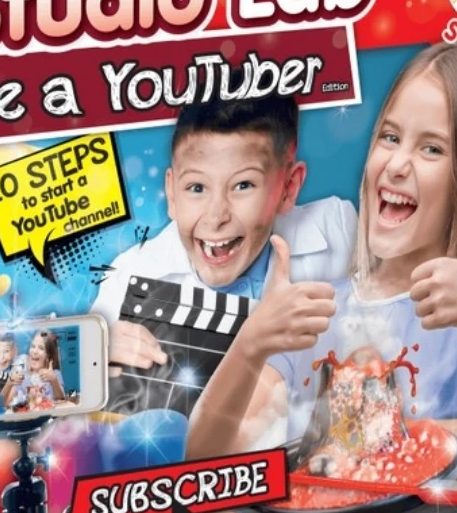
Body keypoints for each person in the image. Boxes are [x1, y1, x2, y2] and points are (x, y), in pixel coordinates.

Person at [186, 43, 457, 460]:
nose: (397, 164)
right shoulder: (316, 309)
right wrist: (250, 343)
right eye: (390, 137)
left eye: (432, 148)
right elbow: (203, 458)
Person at [91, 93, 356, 376]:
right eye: (196, 188)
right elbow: (69, 382)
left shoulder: (337, 228)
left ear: (288, 188)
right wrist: (94, 362)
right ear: (172, 193)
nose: (216, 217)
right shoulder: (126, 278)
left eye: (243, 185)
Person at [3, 330, 66, 410]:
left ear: (48, 355)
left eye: (41, 348)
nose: (35, 351)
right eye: (33, 346)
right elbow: (4, 404)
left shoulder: (55, 375)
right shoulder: (22, 377)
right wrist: (9, 383)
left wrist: (54, 381)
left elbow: (62, 400)